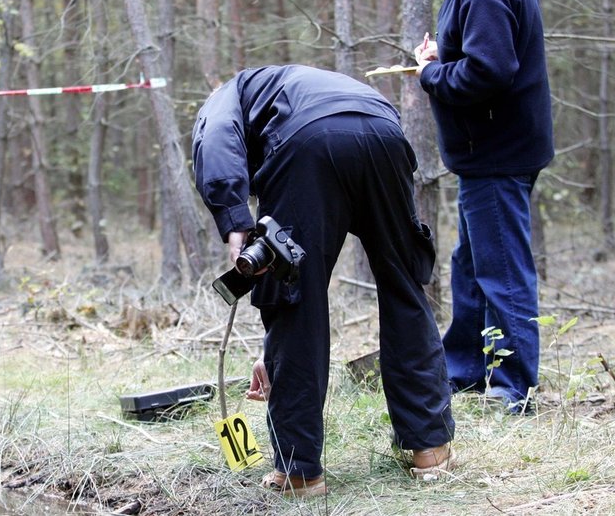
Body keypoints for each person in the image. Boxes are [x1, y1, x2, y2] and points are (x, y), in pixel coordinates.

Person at [192, 64, 455, 496]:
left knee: (295, 298)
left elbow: (215, 134)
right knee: (404, 289)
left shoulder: (229, 91)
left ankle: (299, 472)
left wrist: (234, 220)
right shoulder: (301, 82)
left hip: (307, 145)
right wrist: (269, 354)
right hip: (386, 134)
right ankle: (430, 451)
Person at [401, 0, 554, 413]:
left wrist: (431, 75)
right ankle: (463, 368)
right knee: (471, 264)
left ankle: (516, 390)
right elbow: (488, 50)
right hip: (495, 148)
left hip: (497, 151)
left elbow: (489, 73)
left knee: (503, 271)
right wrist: (447, 53)